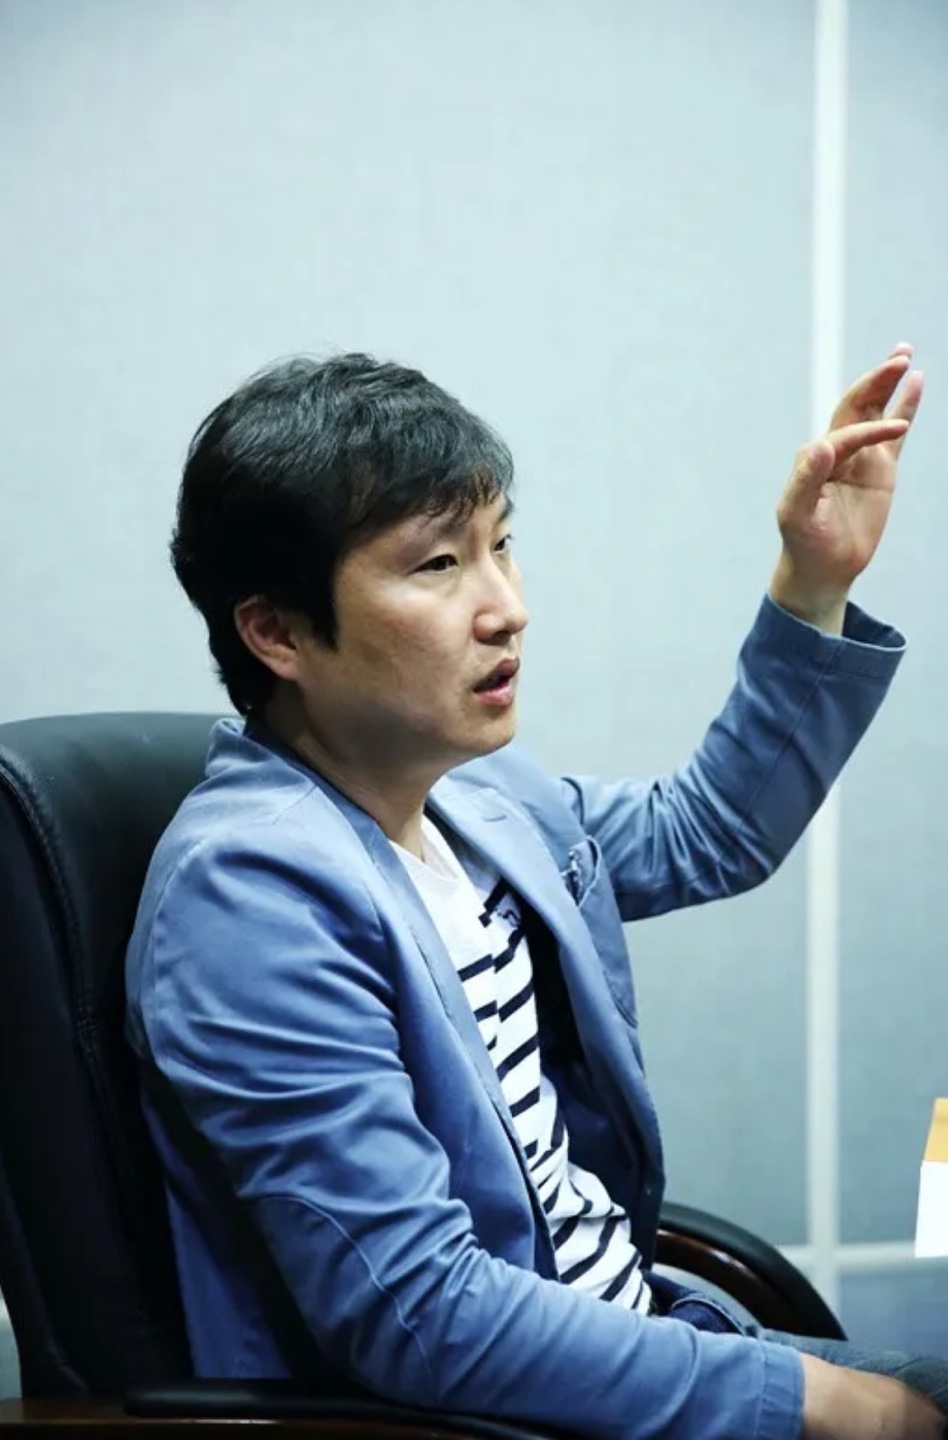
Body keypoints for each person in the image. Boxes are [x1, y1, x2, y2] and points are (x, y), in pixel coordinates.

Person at [126, 344, 946, 1440]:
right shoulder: (253, 895)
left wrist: (815, 582)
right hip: (490, 1415)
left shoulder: (474, 797)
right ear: (276, 632)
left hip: (633, 1333)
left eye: (500, 546)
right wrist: (818, 1403)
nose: (506, 607)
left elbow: (707, 834)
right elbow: (423, 1317)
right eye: (437, 565)